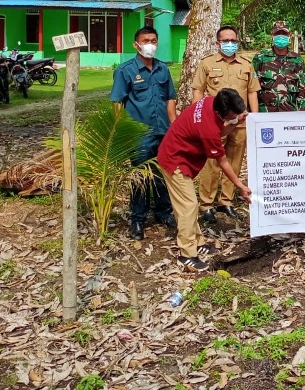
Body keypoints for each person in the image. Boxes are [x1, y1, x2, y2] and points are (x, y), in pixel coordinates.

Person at [157, 88, 252, 272]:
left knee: (187, 204)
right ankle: (187, 254)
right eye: (232, 114)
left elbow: (219, 131)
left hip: (178, 155)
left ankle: (198, 242)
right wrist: (240, 186)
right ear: (221, 112)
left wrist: (235, 121)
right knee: (188, 205)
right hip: (174, 160)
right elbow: (222, 161)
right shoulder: (208, 127)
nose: (235, 116)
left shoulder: (210, 101)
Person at [110, 26, 178, 240]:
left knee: (161, 175)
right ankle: (137, 220)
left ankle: (163, 213)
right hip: (140, 135)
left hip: (163, 132)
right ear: (136, 44)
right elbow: (117, 103)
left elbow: (170, 100)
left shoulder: (162, 69)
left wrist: (174, 128)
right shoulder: (126, 70)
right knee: (140, 178)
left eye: (154, 40)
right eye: (146, 40)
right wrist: (121, 133)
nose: (150, 44)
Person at [192, 25, 260, 222]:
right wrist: (197, 117)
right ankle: (206, 204)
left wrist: (254, 117)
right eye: (225, 41)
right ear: (217, 43)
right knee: (212, 163)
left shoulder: (246, 65)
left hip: (240, 122)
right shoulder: (207, 63)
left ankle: (226, 201)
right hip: (215, 124)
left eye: (233, 41)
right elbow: (198, 90)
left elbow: (252, 92)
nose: (230, 44)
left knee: (234, 161)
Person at [252, 21, 305, 112]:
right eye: (277, 34)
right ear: (272, 36)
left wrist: (303, 115)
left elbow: (303, 90)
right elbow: (253, 88)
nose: (281, 37)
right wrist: (253, 114)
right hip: (265, 113)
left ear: (289, 36)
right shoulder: (260, 58)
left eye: (284, 34)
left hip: (290, 113)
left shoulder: (297, 60)